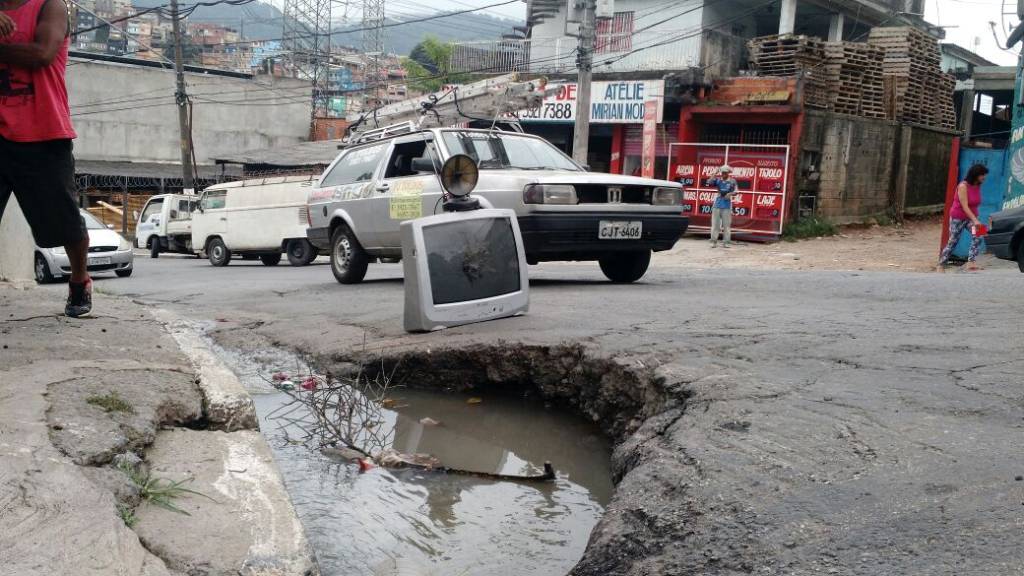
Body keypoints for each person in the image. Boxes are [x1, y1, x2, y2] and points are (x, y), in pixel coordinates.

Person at [0, 0, 91, 316]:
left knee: (65, 222)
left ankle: (79, 280)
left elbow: (42, 53)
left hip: (42, 133)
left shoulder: (50, 5)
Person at [937, 163, 988, 272]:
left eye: (984, 174)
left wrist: (976, 220)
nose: (984, 177)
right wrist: (975, 220)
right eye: (982, 175)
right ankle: (941, 265)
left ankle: (971, 262)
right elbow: (964, 206)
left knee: (980, 234)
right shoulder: (963, 186)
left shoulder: (978, 185)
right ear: (975, 175)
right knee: (953, 241)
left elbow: (974, 204)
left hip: (971, 217)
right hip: (958, 217)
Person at [707, 165, 737, 248]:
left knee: (727, 225)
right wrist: (715, 173)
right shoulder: (718, 180)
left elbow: (736, 191)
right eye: (722, 172)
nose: (723, 174)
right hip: (717, 204)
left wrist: (730, 194)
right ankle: (713, 242)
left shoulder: (732, 181)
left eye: (725, 173)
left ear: (728, 173)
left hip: (727, 206)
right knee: (715, 225)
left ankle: (726, 242)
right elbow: (709, 182)